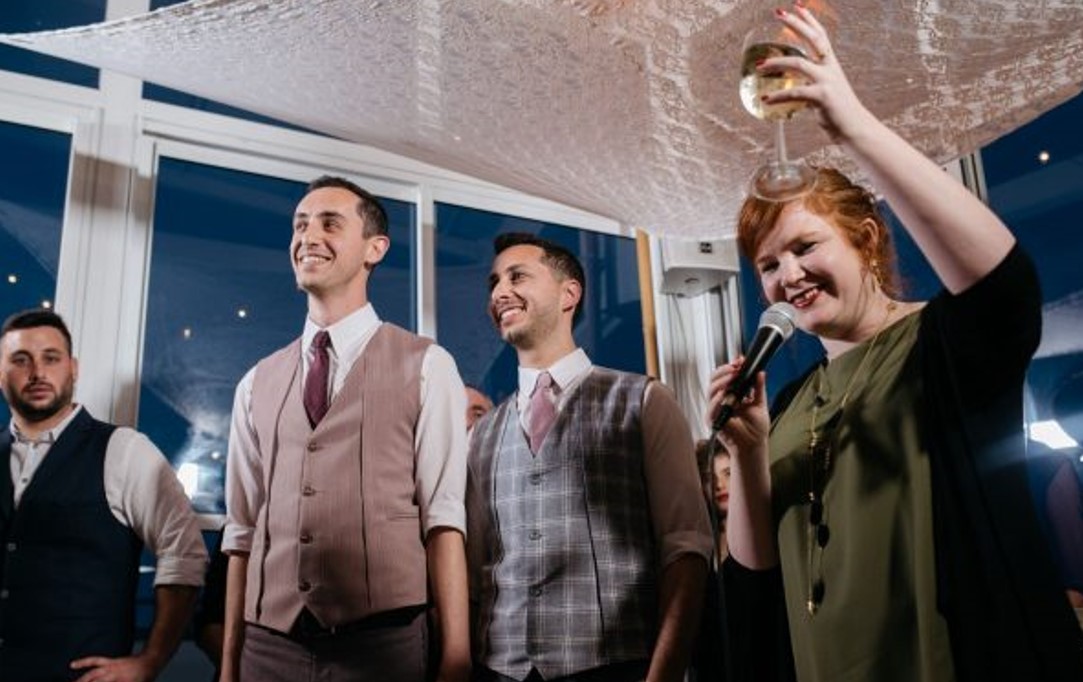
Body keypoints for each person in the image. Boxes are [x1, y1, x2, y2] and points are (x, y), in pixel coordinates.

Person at [706, 5, 1083, 681]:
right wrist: (749, 451)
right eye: (768, 264)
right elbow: (754, 576)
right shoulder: (787, 404)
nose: (787, 275)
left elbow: (1006, 287)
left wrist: (852, 125)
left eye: (805, 246)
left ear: (866, 240)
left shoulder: (938, 344)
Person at [219, 176, 470, 682]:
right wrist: (229, 665)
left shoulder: (428, 365)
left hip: (384, 646)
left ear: (375, 248)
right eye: (300, 225)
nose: (308, 236)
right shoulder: (254, 382)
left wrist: (456, 657)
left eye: (330, 223)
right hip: (267, 647)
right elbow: (241, 533)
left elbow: (444, 518)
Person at [467, 232, 712, 682]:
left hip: (617, 666)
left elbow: (687, 548)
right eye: (494, 283)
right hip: (499, 670)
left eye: (517, 276)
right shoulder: (480, 435)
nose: (500, 292)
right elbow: (475, 572)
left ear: (569, 294)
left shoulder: (644, 401)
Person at [0, 308, 208, 682]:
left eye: (51, 358)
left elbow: (184, 554)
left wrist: (151, 660)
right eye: (20, 360)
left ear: (73, 368)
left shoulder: (125, 450)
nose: (37, 372)